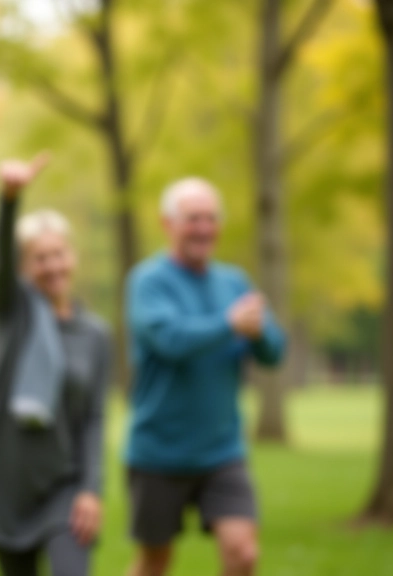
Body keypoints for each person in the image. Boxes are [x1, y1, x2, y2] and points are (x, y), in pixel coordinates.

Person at [124, 177, 287, 576]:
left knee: (243, 554)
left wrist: (260, 330)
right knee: (154, 562)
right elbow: (170, 340)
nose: (203, 228)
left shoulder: (233, 282)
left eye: (211, 218)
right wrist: (229, 323)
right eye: (193, 218)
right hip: (159, 452)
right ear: (168, 223)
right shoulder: (148, 281)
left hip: (222, 452)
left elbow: (274, 352)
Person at [0, 154, 112, 576]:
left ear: (73, 257)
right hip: (7, 485)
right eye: (39, 258)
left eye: (58, 254)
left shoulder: (95, 334)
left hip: (64, 486)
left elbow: (95, 418)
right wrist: (10, 199)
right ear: (25, 266)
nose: (52, 266)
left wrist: (90, 489)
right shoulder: (14, 316)